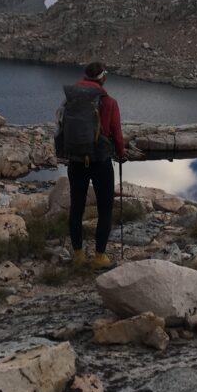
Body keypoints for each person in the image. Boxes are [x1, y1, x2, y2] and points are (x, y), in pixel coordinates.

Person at [59, 61, 126, 269]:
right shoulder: (109, 101)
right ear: (103, 76)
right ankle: (99, 257)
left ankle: (78, 255)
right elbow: (116, 132)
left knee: (76, 207)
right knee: (105, 208)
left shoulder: (71, 97)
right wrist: (121, 153)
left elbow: (62, 125)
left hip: (76, 160)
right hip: (101, 161)